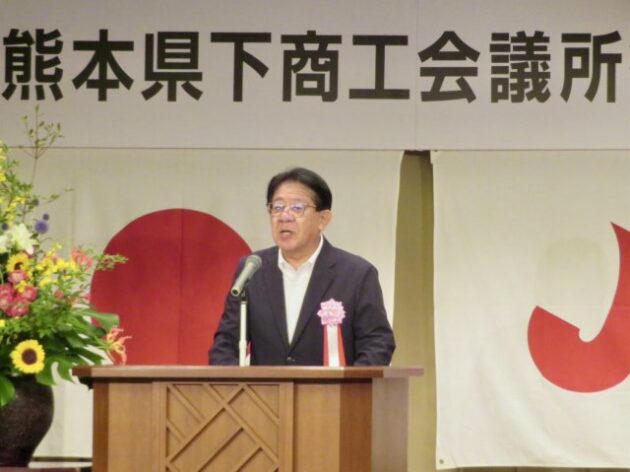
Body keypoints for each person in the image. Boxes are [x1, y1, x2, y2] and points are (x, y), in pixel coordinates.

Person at [209, 167, 395, 366]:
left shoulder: (357, 274)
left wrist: (348, 384)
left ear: (323, 219)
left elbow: (377, 344)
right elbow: (225, 344)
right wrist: (235, 384)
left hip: (334, 387)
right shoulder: (253, 269)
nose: (284, 216)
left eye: (297, 208)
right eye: (277, 207)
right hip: (265, 387)